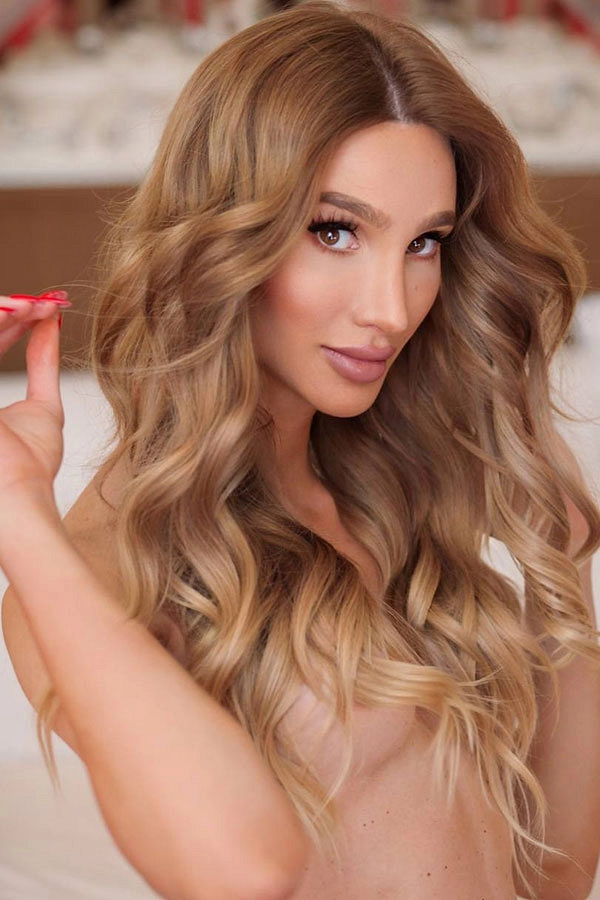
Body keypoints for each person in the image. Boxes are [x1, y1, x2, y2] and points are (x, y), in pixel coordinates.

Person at [1, 2, 600, 898]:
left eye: (425, 242)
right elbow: (241, 870)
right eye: (335, 230)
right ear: (222, 238)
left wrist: (564, 562)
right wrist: (15, 511)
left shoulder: (393, 493)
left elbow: (554, 873)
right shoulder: (103, 566)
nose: (391, 310)